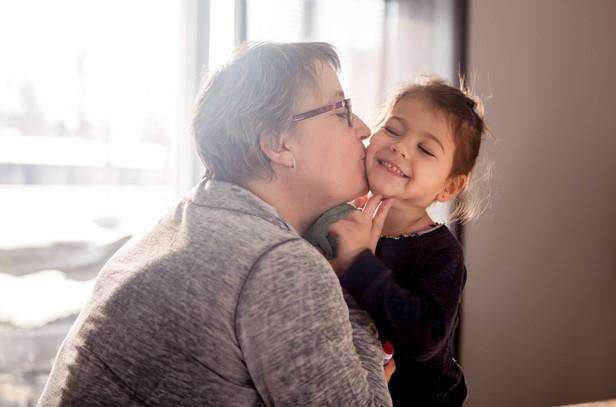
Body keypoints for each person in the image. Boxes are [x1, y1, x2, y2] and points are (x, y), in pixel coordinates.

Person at [37, 42, 394, 406]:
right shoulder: (278, 264)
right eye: (340, 110)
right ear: (277, 143)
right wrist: (355, 270)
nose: (364, 128)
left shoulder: (185, 220)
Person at [321, 78, 488, 406]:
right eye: (394, 130)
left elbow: (424, 338)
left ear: (450, 186)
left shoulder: (440, 253)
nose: (401, 147)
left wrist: (359, 263)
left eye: (425, 149)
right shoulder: (339, 216)